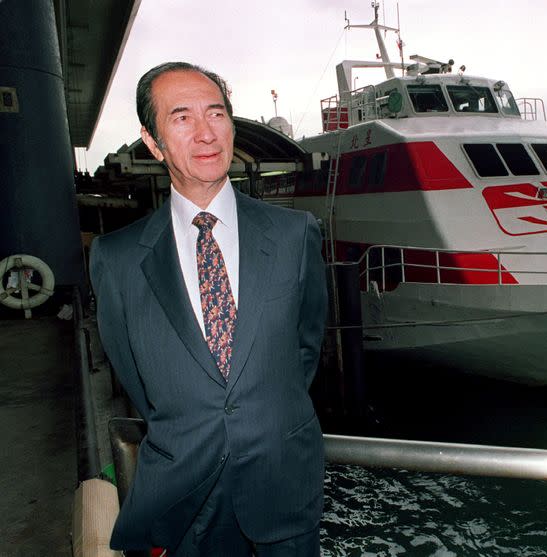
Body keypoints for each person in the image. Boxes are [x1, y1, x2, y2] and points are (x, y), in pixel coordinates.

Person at [90, 61, 328, 556]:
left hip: (283, 487)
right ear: (153, 143)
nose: (206, 133)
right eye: (181, 118)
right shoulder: (116, 260)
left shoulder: (293, 235)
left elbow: (306, 349)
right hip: (183, 502)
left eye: (216, 113)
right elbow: (134, 374)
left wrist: (264, 414)